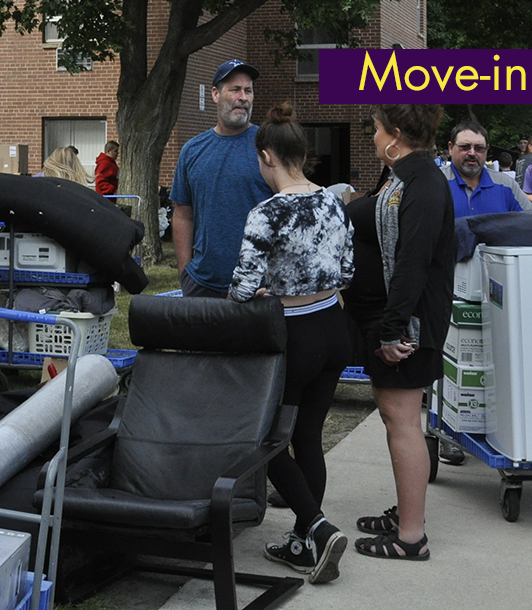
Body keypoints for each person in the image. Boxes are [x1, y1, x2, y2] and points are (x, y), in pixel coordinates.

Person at [229, 102, 352, 584]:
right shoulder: (333, 202)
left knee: (263, 441)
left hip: (294, 336)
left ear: (267, 158)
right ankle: (304, 542)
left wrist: (263, 289)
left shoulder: (266, 213)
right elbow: (346, 272)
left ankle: (318, 528)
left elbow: (241, 288)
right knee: (308, 439)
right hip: (333, 330)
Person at [344, 104, 451, 562]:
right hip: (394, 321)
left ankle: (411, 536)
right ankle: (408, 511)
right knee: (396, 421)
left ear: (396, 133)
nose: (371, 136)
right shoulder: (403, 176)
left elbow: (412, 262)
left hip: (408, 326)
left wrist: (391, 331)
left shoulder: (423, 182)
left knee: (403, 423)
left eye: (374, 129)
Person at [171, 59, 273, 299]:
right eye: (235, 90)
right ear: (215, 94)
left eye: (248, 91)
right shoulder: (192, 150)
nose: (243, 98)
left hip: (259, 287)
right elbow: (183, 214)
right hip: (202, 284)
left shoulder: (268, 145)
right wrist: (185, 272)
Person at [440, 121, 527, 218]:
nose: (472, 153)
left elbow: (530, 222)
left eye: (479, 148)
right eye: (465, 147)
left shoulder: (506, 185)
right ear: (451, 148)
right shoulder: (435, 182)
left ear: (487, 150)